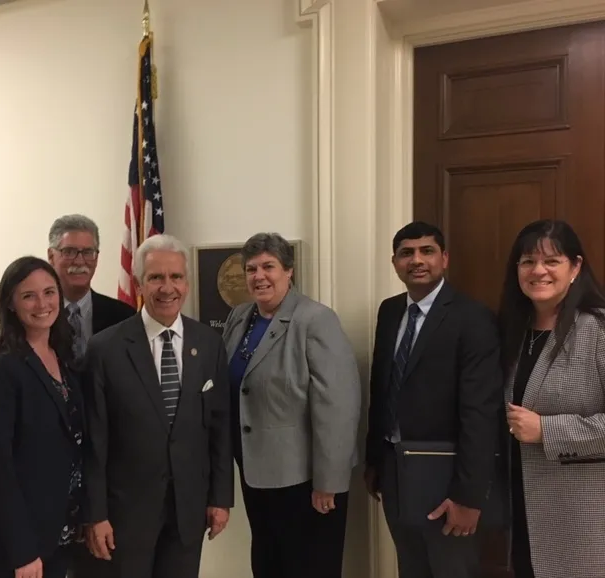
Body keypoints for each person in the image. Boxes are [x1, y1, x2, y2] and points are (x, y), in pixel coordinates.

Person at [80, 234, 233, 578]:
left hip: (188, 511)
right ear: (138, 284)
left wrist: (220, 498)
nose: (168, 288)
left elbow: (220, 428)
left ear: (187, 282)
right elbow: (95, 439)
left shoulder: (209, 344)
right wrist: (96, 513)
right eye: (156, 277)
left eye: (176, 277)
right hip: (125, 515)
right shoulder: (105, 349)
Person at [365, 221, 503, 578]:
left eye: (427, 251)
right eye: (406, 253)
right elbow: (380, 388)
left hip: (446, 478)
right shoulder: (390, 311)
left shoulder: (473, 318)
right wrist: (374, 460)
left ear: (445, 258)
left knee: (451, 569)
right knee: (411, 568)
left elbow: (480, 413)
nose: (417, 260)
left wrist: (469, 496)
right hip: (394, 471)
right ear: (394, 262)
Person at [222, 232, 361, 578]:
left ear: (289, 271)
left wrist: (329, 481)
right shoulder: (240, 317)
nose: (259, 276)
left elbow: (338, 405)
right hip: (255, 471)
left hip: (305, 479)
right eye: (251, 269)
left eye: (269, 266)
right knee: (269, 563)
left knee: (308, 566)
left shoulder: (315, 320)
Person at [498, 219, 605, 578]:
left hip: (583, 514)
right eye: (527, 261)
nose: (538, 270)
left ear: (575, 267)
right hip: (518, 507)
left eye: (551, 261)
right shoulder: (510, 331)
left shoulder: (598, 329)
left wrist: (547, 429)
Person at [0, 257, 83, 578]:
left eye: (49, 292)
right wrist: (23, 550)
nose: (42, 303)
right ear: (11, 304)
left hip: (58, 532)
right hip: (17, 547)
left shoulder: (63, 357)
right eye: (28, 295)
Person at [47, 214, 135, 358]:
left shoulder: (124, 317)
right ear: (51, 256)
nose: (80, 261)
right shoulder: (38, 314)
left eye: (88, 252)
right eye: (69, 252)